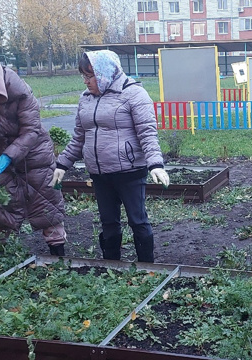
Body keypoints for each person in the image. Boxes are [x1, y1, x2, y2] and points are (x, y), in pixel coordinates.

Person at [49, 50, 169, 263]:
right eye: (83, 76)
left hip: (129, 172)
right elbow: (79, 138)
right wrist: (62, 164)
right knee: (108, 223)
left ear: (104, 72)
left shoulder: (133, 94)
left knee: (138, 221)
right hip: (100, 174)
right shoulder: (85, 99)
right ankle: (112, 266)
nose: (85, 81)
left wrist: (155, 164)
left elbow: (147, 133)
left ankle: (147, 268)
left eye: (89, 75)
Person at [0, 53, 68, 256]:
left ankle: (58, 256)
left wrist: (8, 157)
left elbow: (31, 131)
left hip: (35, 159)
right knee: (0, 209)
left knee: (47, 206)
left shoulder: (22, 94)